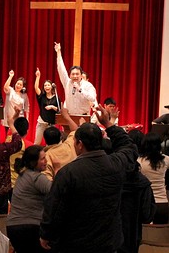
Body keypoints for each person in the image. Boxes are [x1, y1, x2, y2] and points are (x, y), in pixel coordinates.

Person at [40, 105, 138, 253]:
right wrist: (109, 124)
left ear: (80, 144)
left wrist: (46, 234)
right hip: (109, 243)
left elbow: (54, 207)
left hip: (76, 243)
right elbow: (129, 147)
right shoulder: (116, 164)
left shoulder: (68, 172)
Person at [7, 145, 52, 253]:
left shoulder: (23, 175)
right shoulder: (37, 178)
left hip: (13, 227)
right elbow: (56, 194)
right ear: (33, 162)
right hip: (30, 227)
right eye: (42, 159)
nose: (46, 161)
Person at [54, 42, 97, 115]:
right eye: (73, 74)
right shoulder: (67, 82)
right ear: (70, 75)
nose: (75, 76)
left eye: (77, 74)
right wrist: (58, 52)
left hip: (83, 116)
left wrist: (80, 89)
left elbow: (92, 98)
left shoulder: (88, 85)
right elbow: (61, 69)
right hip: (70, 116)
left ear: (81, 75)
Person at [138, 132, 169, 223]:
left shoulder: (139, 161)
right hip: (162, 203)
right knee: (161, 235)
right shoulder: (166, 159)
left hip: (145, 203)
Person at [42, 108, 79, 181]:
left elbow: (47, 182)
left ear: (45, 140)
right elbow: (76, 130)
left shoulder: (46, 156)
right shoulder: (69, 144)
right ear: (60, 137)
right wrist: (66, 116)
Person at [34, 68, 59, 145]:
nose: (46, 87)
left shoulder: (56, 97)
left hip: (51, 124)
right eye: (45, 85)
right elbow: (36, 88)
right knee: (37, 142)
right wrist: (38, 77)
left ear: (51, 86)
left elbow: (59, 109)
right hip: (42, 122)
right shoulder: (42, 96)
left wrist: (52, 107)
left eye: (48, 85)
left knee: (51, 144)